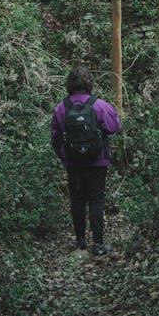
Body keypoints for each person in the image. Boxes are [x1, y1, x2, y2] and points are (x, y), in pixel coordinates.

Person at [51, 65, 121, 255]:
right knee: (96, 200)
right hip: (98, 161)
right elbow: (115, 127)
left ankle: (81, 242)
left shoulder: (61, 107)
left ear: (69, 84)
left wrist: (65, 156)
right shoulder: (99, 105)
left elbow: (55, 137)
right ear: (89, 82)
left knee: (77, 200)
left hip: (73, 162)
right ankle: (98, 244)